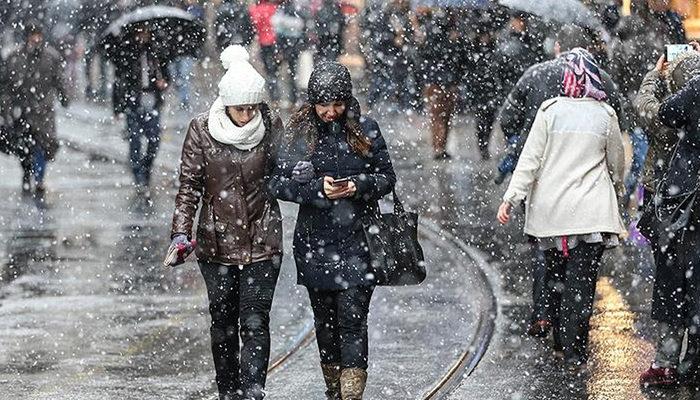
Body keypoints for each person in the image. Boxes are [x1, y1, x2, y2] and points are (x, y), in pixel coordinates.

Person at [269, 61, 396, 399]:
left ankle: (351, 393)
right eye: (323, 104)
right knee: (325, 324)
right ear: (312, 102)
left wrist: (357, 185)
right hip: (315, 244)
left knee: (353, 318)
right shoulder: (297, 135)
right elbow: (276, 183)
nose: (330, 112)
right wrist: (316, 191)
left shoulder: (366, 130)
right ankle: (333, 388)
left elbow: (387, 177)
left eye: (337, 104)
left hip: (359, 240)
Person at [498, 48, 626, 370]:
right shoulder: (605, 114)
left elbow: (529, 160)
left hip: (552, 215)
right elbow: (616, 164)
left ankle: (557, 337)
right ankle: (575, 352)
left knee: (555, 278)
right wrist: (618, 189)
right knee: (581, 285)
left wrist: (510, 199)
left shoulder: (549, 111)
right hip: (590, 216)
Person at [169, 45, 284, 400]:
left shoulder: (271, 126)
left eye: (252, 107)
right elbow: (189, 186)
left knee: (254, 321)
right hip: (215, 244)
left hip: (263, 241)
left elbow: (286, 174)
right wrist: (180, 233)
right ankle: (228, 391)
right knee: (222, 324)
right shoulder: (202, 131)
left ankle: (252, 390)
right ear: (225, 103)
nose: (247, 115)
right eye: (240, 108)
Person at [638, 48, 700, 387]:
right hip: (689, 207)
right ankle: (692, 362)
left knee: (669, 282)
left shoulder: (672, 116)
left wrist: (655, 75)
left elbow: (647, 108)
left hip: (673, 207)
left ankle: (666, 361)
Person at [609, 0, 686, 206]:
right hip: (639, 107)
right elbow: (617, 74)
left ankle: (643, 206)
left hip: (662, 107)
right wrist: (625, 106)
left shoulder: (672, 24)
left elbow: (679, 67)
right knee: (643, 162)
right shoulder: (628, 29)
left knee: (657, 162)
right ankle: (628, 204)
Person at [1, 20, 69, 201]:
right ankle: (26, 174)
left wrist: (64, 97)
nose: (36, 39)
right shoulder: (15, 57)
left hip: (43, 110)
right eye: (33, 35)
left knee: (43, 145)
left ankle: (39, 179)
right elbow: (6, 85)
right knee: (24, 147)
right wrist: (6, 108)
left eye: (38, 35)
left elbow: (59, 79)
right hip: (22, 110)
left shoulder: (51, 57)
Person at [111, 24, 170, 195]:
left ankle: (146, 167)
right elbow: (119, 82)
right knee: (135, 140)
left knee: (154, 140)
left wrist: (163, 83)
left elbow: (166, 76)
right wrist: (117, 108)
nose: (143, 35)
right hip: (133, 102)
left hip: (152, 100)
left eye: (146, 31)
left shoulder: (156, 53)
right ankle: (138, 175)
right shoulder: (127, 53)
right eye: (140, 31)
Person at [414, 6, 467, 160]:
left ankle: (439, 147)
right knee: (442, 116)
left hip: (438, 81)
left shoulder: (431, 32)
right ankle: (439, 147)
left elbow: (423, 57)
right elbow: (458, 58)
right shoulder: (448, 35)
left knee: (439, 116)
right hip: (444, 82)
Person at [272, 0, 308, 107]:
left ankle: (278, 98)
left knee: (277, 74)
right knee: (292, 75)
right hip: (294, 49)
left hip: (285, 48)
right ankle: (293, 100)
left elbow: (278, 34)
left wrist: (279, 50)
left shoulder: (282, 12)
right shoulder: (297, 12)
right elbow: (302, 32)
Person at [172, 0, 205, 111]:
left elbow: (200, 32)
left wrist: (193, 46)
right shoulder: (174, 11)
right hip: (174, 52)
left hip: (186, 52)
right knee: (176, 77)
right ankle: (182, 96)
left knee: (184, 76)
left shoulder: (196, 11)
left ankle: (184, 99)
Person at [250, 0, 280, 103]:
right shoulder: (274, 8)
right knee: (274, 70)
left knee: (268, 70)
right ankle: (276, 95)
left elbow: (255, 25)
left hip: (263, 42)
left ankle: (273, 96)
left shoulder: (255, 10)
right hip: (275, 41)